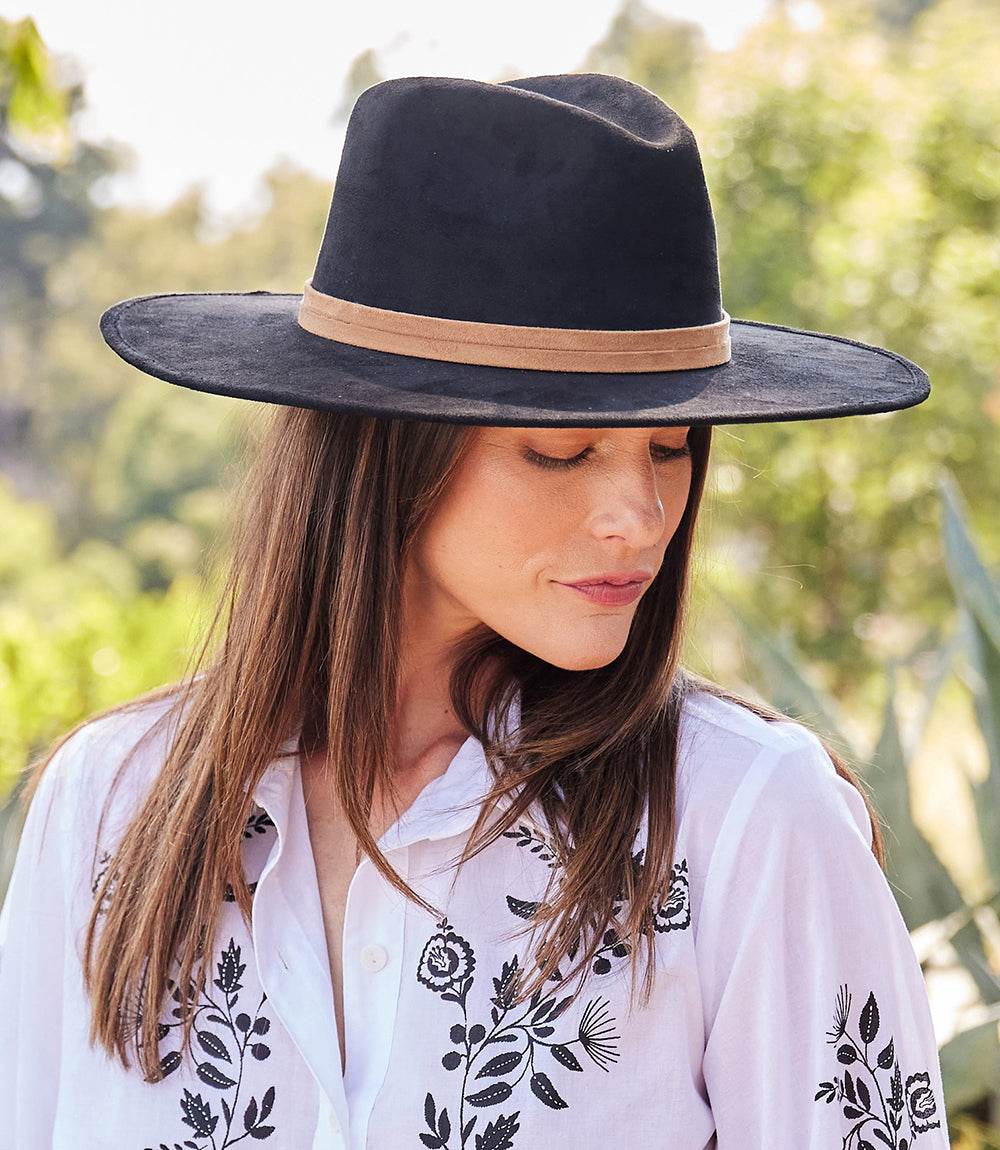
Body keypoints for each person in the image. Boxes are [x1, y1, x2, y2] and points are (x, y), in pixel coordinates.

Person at [0, 73, 950, 1149]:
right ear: (384, 448)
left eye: (670, 444)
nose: (638, 514)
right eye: (559, 449)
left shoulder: (746, 820)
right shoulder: (109, 807)